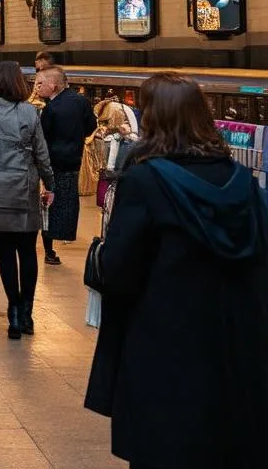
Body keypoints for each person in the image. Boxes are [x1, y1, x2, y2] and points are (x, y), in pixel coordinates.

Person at [85, 73, 268, 468]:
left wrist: (97, 257)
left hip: (163, 340)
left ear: (155, 119)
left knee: (164, 447)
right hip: (233, 341)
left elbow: (119, 270)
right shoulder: (242, 182)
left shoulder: (145, 181)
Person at [0, 61, 55, 339]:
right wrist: (50, 184)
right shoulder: (30, 112)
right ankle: (28, 314)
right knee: (28, 251)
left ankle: (14, 312)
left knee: (4, 252)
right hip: (25, 187)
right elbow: (41, 154)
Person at [35, 66, 95, 265]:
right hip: (74, 161)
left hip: (52, 164)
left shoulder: (50, 109)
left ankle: (49, 249)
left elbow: (43, 138)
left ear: (53, 85)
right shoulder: (82, 101)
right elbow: (90, 127)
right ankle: (65, 232)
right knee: (68, 201)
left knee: (49, 205)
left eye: (40, 83)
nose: (37, 87)